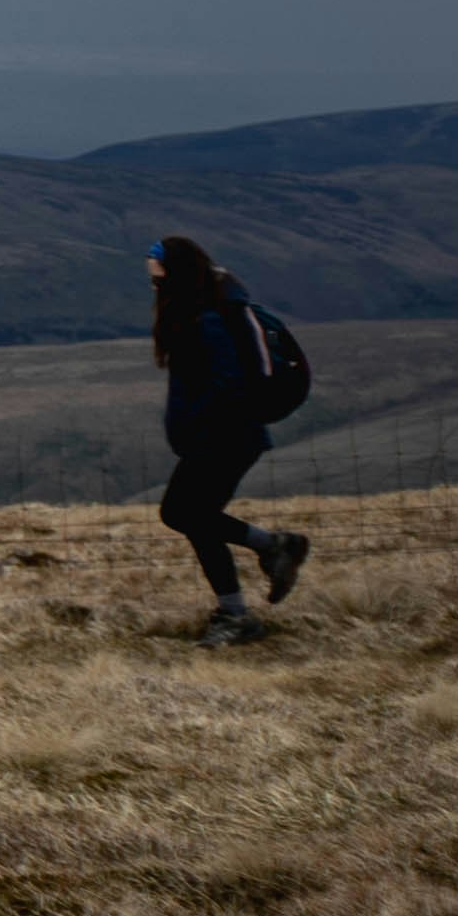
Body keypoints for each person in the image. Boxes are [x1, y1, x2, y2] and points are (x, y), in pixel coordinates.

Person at [150, 236, 312, 640]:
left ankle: (272, 549)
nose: (153, 281)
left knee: (181, 513)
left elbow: (229, 381)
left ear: (176, 272)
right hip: (223, 436)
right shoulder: (201, 309)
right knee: (197, 520)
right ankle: (235, 611)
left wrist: (202, 424)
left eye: (157, 271)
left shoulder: (206, 318)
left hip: (224, 437)